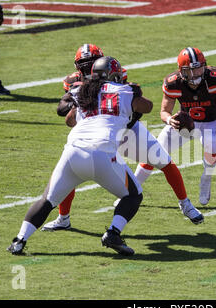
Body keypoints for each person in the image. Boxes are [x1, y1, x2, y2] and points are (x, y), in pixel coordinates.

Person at [41, 44, 203, 231]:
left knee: (164, 161)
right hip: (92, 133)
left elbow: (132, 103)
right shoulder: (73, 82)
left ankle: (185, 204)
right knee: (71, 170)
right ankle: (63, 218)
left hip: (126, 128)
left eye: (92, 63)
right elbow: (69, 113)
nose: (88, 68)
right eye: (84, 65)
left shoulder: (114, 74)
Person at [7, 56, 153, 256]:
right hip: (103, 153)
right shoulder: (126, 91)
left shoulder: (81, 89)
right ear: (115, 76)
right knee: (134, 195)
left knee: (47, 200)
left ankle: (19, 240)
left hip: (73, 152)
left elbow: (68, 119)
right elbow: (147, 106)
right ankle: (113, 233)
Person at [134, 47, 216, 205]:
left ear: (204, 66)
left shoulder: (215, 78)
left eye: (198, 69)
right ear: (181, 71)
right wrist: (170, 120)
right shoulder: (174, 83)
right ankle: (131, 191)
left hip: (212, 121)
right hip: (185, 123)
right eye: (189, 71)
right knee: (154, 152)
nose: (194, 74)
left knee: (212, 146)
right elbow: (164, 111)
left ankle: (206, 177)